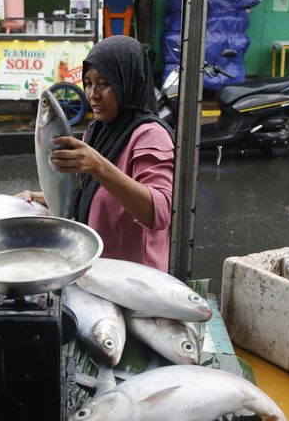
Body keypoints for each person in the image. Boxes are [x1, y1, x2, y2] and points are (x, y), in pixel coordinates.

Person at [21, 35, 175, 271]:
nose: (92, 94)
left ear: (127, 82)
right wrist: (39, 197)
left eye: (104, 83)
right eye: (88, 83)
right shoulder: (97, 131)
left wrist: (98, 166)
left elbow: (159, 212)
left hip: (136, 281)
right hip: (96, 270)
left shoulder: (149, 135)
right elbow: (89, 194)